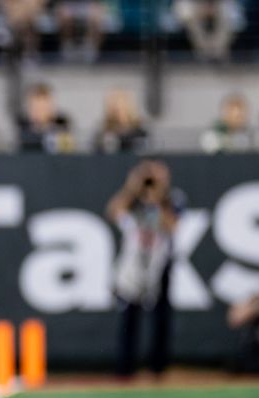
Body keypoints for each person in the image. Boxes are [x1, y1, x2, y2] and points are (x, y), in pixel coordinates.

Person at [106, 159, 181, 378]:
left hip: (158, 265)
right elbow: (114, 211)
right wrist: (132, 186)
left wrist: (157, 197)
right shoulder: (133, 200)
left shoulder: (171, 199)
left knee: (161, 318)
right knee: (129, 318)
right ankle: (125, 367)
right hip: (134, 266)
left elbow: (173, 226)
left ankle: (158, 367)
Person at [18, 83, 75, 153]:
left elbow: (68, 153)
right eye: (36, 108)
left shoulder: (62, 129)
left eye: (43, 108)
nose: (39, 112)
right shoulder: (21, 129)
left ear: (51, 107)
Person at [93, 89, 148, 154]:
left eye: (121, 103)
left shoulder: (140, 132)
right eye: (113, 104)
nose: (117, 107)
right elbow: (97, 152)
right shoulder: (103, 132)